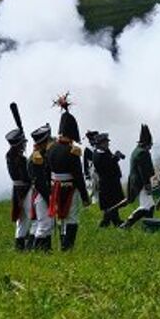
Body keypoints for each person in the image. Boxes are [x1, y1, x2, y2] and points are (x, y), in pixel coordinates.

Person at [46, 102, 90, 251]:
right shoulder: (73, 151)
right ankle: (67, 247)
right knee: (72, 217)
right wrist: (85, 196)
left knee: (60, 216)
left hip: (55, 187)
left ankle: (63, 243)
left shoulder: (50, 148)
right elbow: (78, 176)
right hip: (70, 188)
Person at [120, 124, 156, 229]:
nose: (151, 146)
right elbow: (143, 172)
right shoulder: (143, 153)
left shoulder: (137, 151)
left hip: (137, 183)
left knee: (150, 206)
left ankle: (148, 226)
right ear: (147, 143)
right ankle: (127, 224)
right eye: (150, 144)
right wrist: (147, 185)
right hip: (140, 183)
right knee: (146, 206)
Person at [28, 124, 54, 251]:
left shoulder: (41, 154)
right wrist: (48, 197)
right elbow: (40, 182)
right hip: (40, 193)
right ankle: (38, 251)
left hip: (40, 192)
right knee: (44, 224)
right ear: (43, 141)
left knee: (46, 223)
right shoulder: (37, 157)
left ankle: (46, 250)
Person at [6, 128, 32, 251]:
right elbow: (26, 177)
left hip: (16, 189)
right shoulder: (20, 159)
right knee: (31, 216)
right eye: (23, 143)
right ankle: (31, 244)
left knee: (21, 219)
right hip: (25, 189)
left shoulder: (10, 155)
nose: (24, 144)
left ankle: (19, 246)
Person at [92, 133, 125, 227]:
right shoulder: (97, 155)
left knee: (113, 203)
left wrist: (115, 157)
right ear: (99, 144)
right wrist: (115, 158)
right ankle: (110, 222)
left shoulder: (105, 152)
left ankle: (112, 221)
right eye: (105, 142)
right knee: (110, 204)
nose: (107, 144)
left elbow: (110, 161)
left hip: (112, 182)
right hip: (107, 183)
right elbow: (107, 167)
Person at [83, 130, 99, 204]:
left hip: (99, 170)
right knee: (93, 189)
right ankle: (94, 202)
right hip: (92, 171)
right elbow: (85, 164)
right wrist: (87, 176)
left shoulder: (99, 147)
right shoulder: (87, 149)